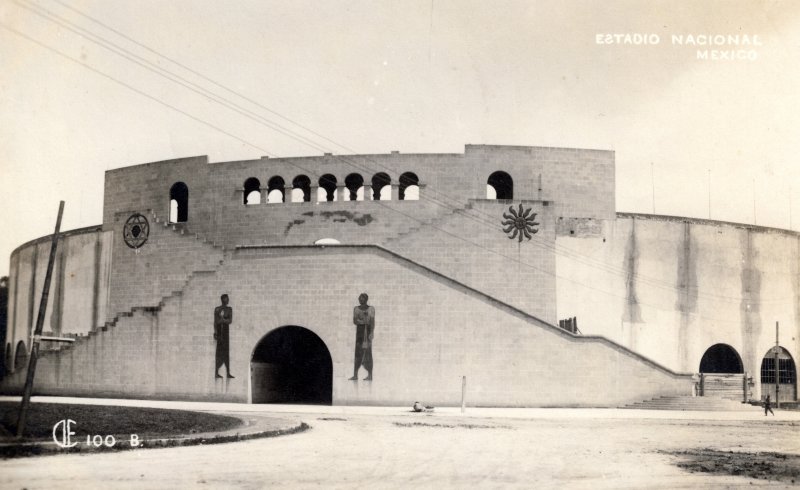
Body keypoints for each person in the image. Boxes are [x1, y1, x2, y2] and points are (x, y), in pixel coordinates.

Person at [349, 293, 375, 381]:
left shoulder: (371, 309)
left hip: (367, 331)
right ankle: (355, 375)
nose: (360, 299)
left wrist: (371, 332)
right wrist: (362, 321)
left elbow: (372, 321)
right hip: (359, 332)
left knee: (368, 352)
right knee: (357, 352)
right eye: (359, 298)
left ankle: (370, 375)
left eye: (362, 298)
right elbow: (355, 321)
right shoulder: (356, 309)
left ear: (366, 299)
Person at [214, 294, 234, 379]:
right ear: (223, 299)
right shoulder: (217, 309)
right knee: (218, 351)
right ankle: (216, 372)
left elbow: (230, 321)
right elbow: (215, 322)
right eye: (227, 299)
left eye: (228, 299)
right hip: (219, 331)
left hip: (225, 331)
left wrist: (223, 320)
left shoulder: (229, 309)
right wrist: (215, 333)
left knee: (226, 351)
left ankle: (228, 372)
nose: (228, 300)